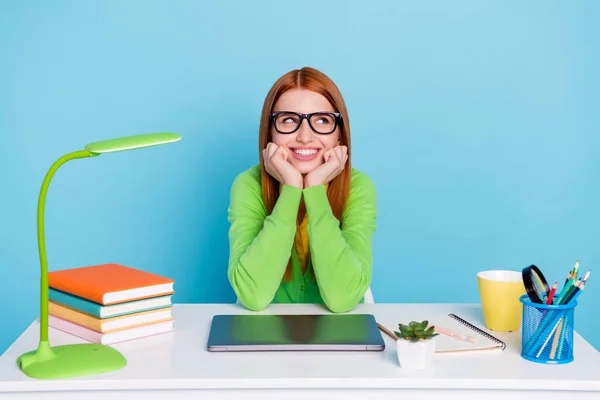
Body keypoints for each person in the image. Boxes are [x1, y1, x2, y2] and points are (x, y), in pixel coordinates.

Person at [227, 66, 377, 313]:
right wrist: (291, 188)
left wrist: (315, 188)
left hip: (341, 337)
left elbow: (342, 300)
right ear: (270, 132)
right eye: (289, 120)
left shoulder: (357, 187)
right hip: (265, 337)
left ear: (339, 134)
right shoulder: (248, 184)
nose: (305, 136)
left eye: (321, 120)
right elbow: (253, 295)